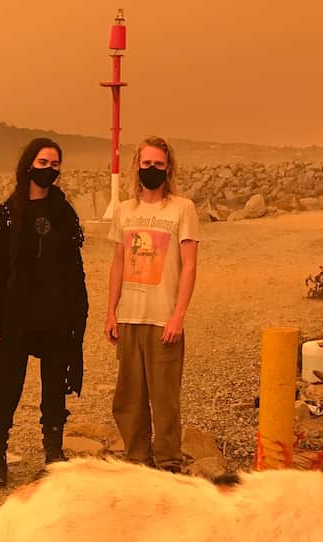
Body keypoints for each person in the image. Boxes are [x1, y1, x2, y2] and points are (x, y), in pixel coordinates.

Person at [0, 138, 88, 485]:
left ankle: (53, 453)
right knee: (6, 385)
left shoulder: (64, 213)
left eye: (55, 164)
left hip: (56, 313)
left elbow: (74, 265)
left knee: (55, 384)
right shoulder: (9, 212)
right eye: (43, 162)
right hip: (15, 315)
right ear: (29, 164)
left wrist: (77, 313)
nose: (50, 169)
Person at [105, 136, 199, 472]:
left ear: (168, 167)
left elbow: (189, 264)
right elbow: (118, 262)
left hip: (164, 321)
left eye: (158, 164)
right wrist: (110, 312)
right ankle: (137, 461)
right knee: (129, 399)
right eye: (146, 164)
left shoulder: (181, 209)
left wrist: (178, 315)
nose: (152, 170)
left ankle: (169, 463)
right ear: (137, 166)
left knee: (164, 401)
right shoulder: (124, 211)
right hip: (130, 317)